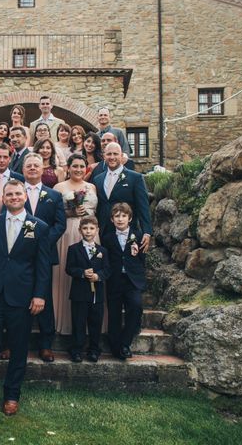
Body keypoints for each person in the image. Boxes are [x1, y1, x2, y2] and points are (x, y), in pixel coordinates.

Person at [0, 179, 52, 416]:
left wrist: (39, 295)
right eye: (9, 194)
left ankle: (12, 395)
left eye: (18, 194)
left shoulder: (38, 227)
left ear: (25, 196)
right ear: (3, 198)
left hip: (23, 297)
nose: (14, 197)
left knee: (18, 346)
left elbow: (43, 265)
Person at [21, 153, 66, 362]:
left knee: (43, 295)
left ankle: (46, 344)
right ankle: (13, 342)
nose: (32, 169)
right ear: (23, 169)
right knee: (18, 296)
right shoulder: (15, 192)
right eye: (28, 165)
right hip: (19, 252)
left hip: (45, 252)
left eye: (35, 166)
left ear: (42, 170)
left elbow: (60, 225)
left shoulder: (54, 196)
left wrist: (44, 242)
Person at [52, 154, 99, 335]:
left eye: (81, 166)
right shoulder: (59, 187)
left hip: (91, 233)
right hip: (68, 231)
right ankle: (63, 320)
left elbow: (97, 210)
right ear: (68, 168)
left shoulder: (92, 186)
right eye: (75, 166)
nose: (78, 169)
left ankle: (89, 323)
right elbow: (55, 213)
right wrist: (70, 212)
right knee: (68, 272)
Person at [102, 202, 147, 361]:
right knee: (114, 313)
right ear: (112, 219)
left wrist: (136, 256)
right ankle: (115, 346)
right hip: (114, 280)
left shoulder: (138, 235)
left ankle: (125, 343)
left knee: (135, 306)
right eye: (117, 216)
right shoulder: (106, 237)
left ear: (130, 218)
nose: (120, 219)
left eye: (123, 216)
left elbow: (143, 259)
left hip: (132, 280)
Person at [65, 216, 110, 363]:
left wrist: (98, 276)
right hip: (79, 293)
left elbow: (108, 270)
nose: (88, 231)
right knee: (78, 322)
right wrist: (82, 273)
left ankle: (94, 350)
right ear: (80, 230)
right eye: (85, 228)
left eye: (91, 228)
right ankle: (76, 350)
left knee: (95, 323)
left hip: (97, 294)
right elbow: (69, 268)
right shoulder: (73, 249)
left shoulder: (102, 250)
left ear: (97, 230)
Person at [93, 143, 152, 250]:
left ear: (121, 156)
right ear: (104, 156)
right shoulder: (98, 179)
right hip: (104, 232)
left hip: (128, 232)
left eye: (115, 154)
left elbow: (143, 206)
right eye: (109, 154)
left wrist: (147, 232)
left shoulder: (135, 178)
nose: (112, 157)